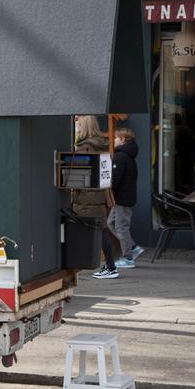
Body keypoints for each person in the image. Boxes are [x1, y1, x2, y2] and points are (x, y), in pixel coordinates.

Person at [71, 116, 118, 279]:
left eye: (78, 125)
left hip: (86, 198)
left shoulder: (84, 149)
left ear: (84, 127)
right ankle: (111, 266)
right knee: (102, 230)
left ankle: (79, 264)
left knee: (79, 230)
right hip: (101, 196)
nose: (76, 128)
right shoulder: (102, 146)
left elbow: (77, 179)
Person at [109, 127, 143, 269]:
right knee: (110, 222)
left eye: (116, 138)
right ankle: (133, 247)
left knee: (121, 227)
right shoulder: (127, 155)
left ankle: (128, 258)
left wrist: (108, 188)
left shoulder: (121, 156)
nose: (114, 140)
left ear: (122, 139)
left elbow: (115, 179)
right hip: (124, 197)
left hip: (122, 198)